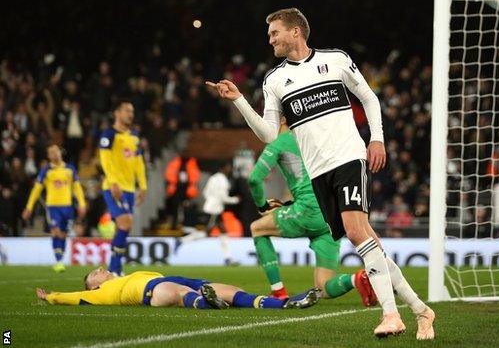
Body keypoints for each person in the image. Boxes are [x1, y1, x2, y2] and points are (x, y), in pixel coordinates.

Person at [207, 8, 435, 339]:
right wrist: (240, 100)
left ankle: (391, 315)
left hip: (348, 158)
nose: (269, 39)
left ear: (295, 32)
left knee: (357, 233)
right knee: (370, 242)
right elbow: (270, 134)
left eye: (275, 33)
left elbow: (369, 99)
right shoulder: (273, 81)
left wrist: (377, 139)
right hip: (319, 173)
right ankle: (421, 311)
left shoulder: (336, 60)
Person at [248, 117, 377, 306]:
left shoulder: (280, 141)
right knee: (324, 287)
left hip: (309, 209)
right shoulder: (316, 138)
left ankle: (278, 292)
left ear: (283, 119)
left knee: (257, 228)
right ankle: (357, 279)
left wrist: (262, 207)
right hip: (331, 215)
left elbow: (254, 179)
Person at [35, 267, 320, 310]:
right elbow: (72, 296)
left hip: (169, 278)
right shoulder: (99, 293)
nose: (100, 268)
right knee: (180, 292)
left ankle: (280, 303)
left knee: (227, 288)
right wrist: (52, 297)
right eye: (95, 273)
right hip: (152, 290)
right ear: (94, 285)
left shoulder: (125, 274)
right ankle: (206, 302)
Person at [99, 100, 147, 275]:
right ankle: (113, 268)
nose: (130, 114)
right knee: (125, 223)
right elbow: (104, 160)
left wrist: (142, 185)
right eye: (127, 110)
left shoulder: (134, 136)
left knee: (124, 227)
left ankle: (116, 268)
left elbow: (139, 162)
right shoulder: (109, 134)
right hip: (114, 187)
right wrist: (113, 182)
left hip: (129, 189)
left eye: (132, 111)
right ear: (117, 113)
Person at [22, 144, 87, 273]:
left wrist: (82, 204)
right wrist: (29, 207)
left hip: (67, 208)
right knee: (56, 232)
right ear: (48, 156)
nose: (54, 154)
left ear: (60, 152)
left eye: (55, 151)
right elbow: (36, 189)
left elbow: (77, 188)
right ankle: (58, 261)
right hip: (52, 208)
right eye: (51, 152)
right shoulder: (46, 171)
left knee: (63, 235)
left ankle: (60, 259)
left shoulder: (70, 169)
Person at [180, 162, 240, 266]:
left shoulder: (213, 178)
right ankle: (182, 241)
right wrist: (235, 200)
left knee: (223, 230)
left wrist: (210, 200)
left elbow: (205, 192)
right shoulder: (223, 180)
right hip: (215, 209)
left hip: (211, 207)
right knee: (206, 233)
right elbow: (223, 198)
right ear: (223, 168)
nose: (229, 169)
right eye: (228, 167)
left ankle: (228, 258)